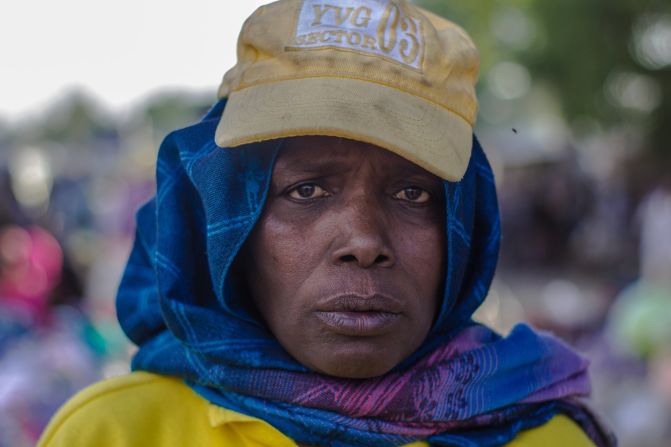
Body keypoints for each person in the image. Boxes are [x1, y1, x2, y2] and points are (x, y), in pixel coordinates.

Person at [38, 1, 615, 446]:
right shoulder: (115, 433)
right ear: (228, 230)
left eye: (414, 193)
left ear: (465, 234)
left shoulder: (550, 439)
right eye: (305, 190)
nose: (364, 243)